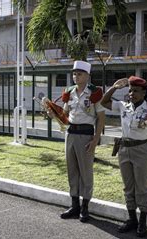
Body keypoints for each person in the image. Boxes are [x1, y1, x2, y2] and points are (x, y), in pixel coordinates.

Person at [101, 76, 147, 237]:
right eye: (130, 90)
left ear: (144, 92)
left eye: (135, 91)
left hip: (141, 150)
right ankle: (132, 218)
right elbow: (103, 102)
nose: (132, 93)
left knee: (142, 186)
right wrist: (114, 88)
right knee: (128, 186)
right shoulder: (123, 106)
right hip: (124, 149)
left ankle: (142, 221)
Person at [59, 60, 105, 222]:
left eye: (79, 74)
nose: (75, 77)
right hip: (70, 134)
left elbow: (101, 118)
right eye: (74, 74)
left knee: (86, 172)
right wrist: (53, 114)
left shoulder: (94, 92)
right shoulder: (69, 92)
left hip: (86, 135)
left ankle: (85, 206)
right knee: (72, 170)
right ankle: (74, 205)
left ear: (88, 76)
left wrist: (95, 140)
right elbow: (64, 115)